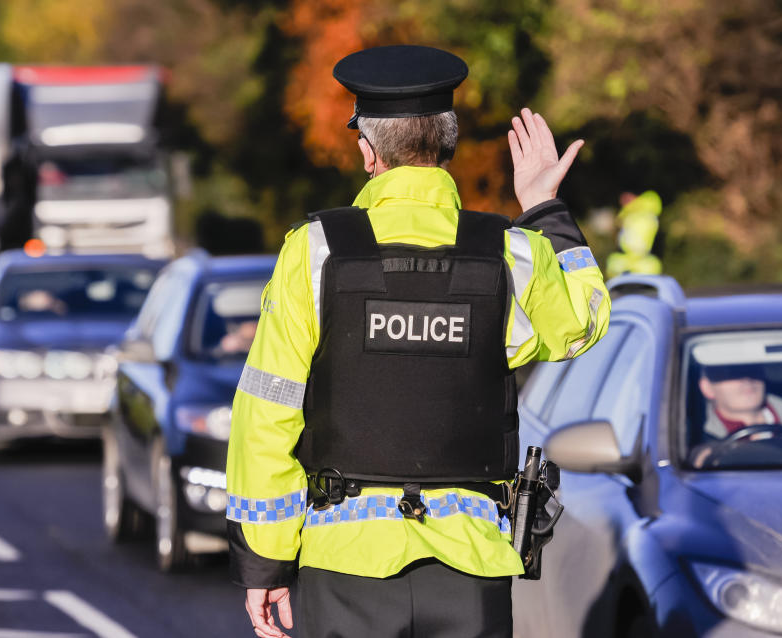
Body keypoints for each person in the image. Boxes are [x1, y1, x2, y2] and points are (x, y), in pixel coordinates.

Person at [225, 45, 611, 638]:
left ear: (366, 149)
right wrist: (544, 208)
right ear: (448, 144)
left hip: (345, 567)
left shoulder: (314, 251)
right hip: (472, 567)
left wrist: (265, 561)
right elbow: (584, 321)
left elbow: (267, 413)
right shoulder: (512, 254)